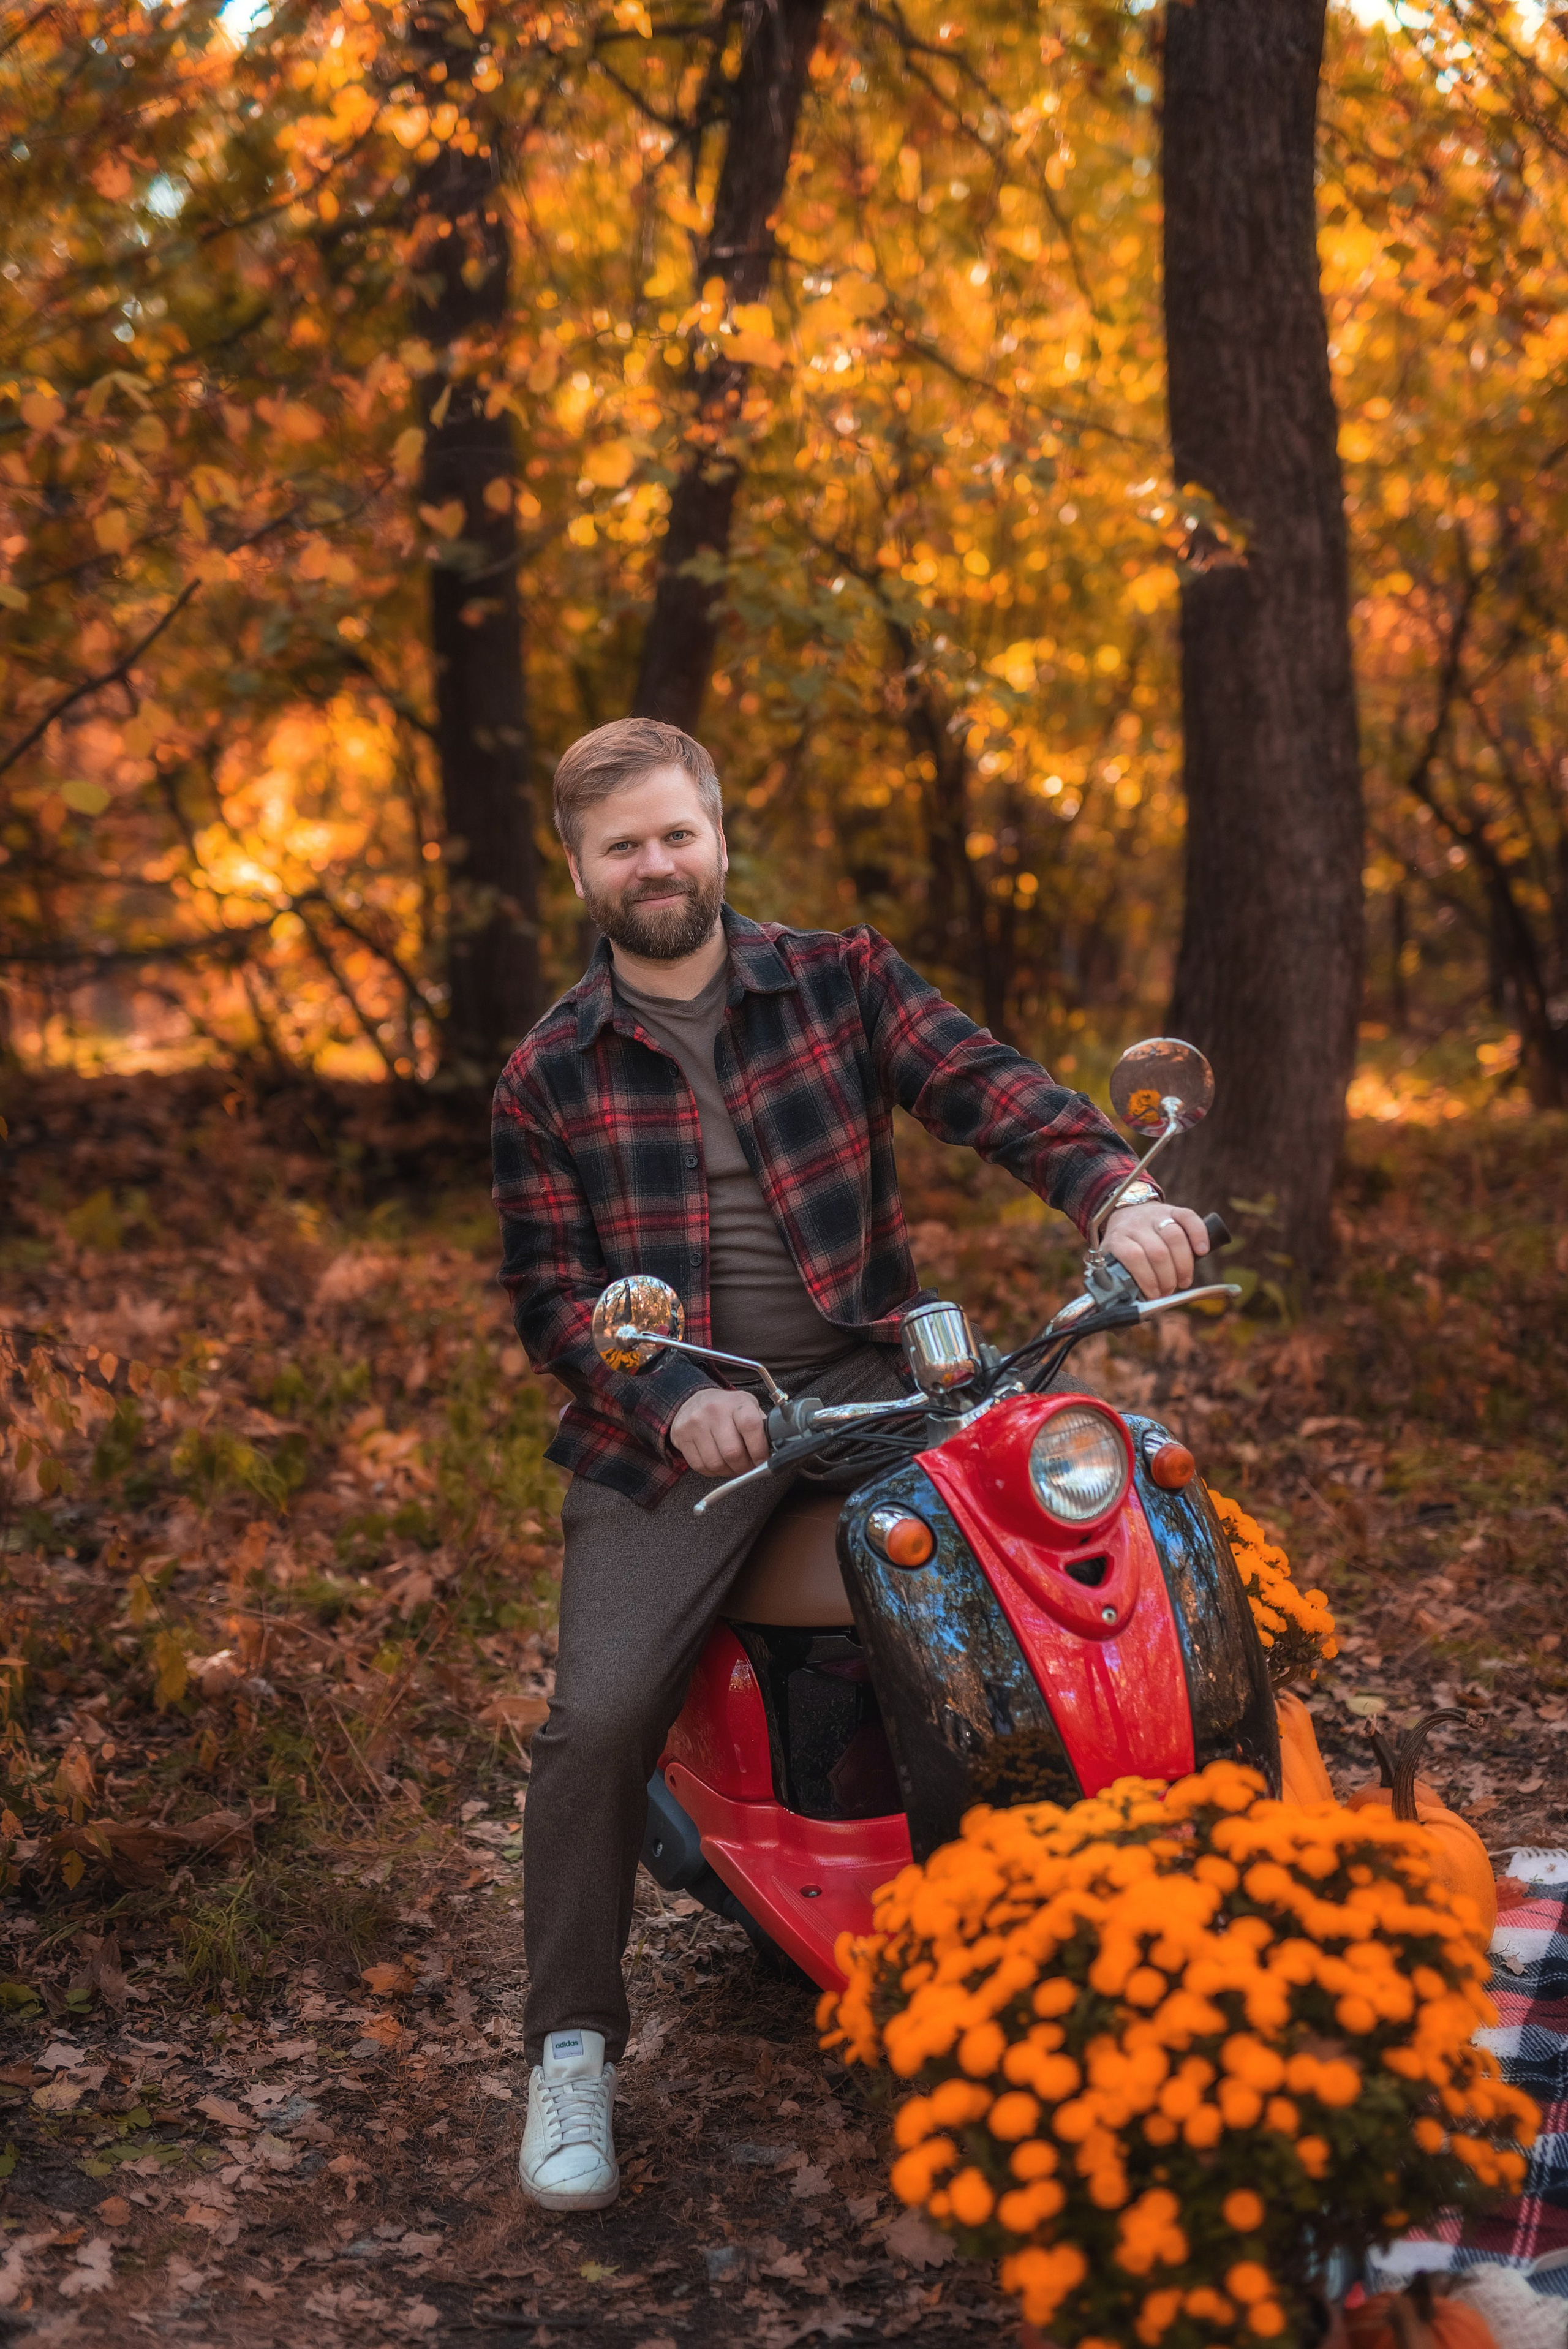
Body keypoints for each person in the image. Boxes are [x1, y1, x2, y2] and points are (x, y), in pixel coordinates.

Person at [492, 717, 1209, 2212]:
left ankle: (1086, 1934)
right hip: (687, 1429)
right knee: (597, 1716)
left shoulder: (837, 979)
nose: (656, 863)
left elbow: (992, 1089)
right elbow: (555, 1302)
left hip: (881, 1379)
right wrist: (672, 1387)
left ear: (717, 832)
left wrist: (1114, 1194)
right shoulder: (546, 1074)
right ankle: (569, 2047)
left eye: (675, 832)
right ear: (580, 870)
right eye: (621, 844)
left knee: (1075, 1584)